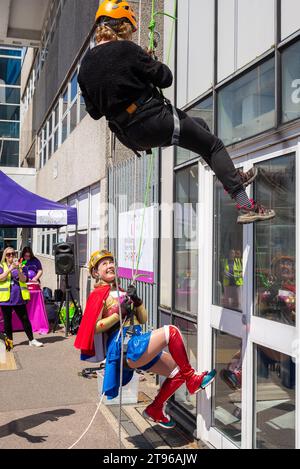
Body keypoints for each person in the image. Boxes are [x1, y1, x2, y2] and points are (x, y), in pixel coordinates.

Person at [78, 0, 275, 225]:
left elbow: (94, 113)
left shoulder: (84, 69)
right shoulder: (127, 49)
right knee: (214, 145)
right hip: (154, 120)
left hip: (130, 135)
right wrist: (148, 60)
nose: (131, 35)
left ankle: (232, 177)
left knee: (200, 126)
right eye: (130, 30)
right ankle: (246, 205)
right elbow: (165, 78)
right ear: (122, 26)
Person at [74, 250, 216, 429]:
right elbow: (94, 327)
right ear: (95, 272)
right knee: (171, 332)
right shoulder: (98, 295)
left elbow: (143, 319)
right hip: (122, 347)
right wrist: (119, 313)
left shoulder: (122, 291)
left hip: (136, 341)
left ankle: (156, 408)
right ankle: (193, 380)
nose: (110, 265)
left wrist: (137, 302)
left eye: (111, 261)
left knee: (177, 372)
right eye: (104, 264)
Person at [0, 247, 43, 349]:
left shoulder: (20, 265)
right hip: (6, 299)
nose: (11, 256)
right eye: (8, 254)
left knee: (25, 320)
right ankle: (9, 343)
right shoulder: (1, 265)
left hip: (18, 297)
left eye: (13, 254)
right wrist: (10, 269)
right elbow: (1, 278)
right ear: (5, 256)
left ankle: (31, 340)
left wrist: (18, 270)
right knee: (7, 322)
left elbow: (24, 279)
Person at [20, 247, 49, 335]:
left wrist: (35, 278)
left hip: (34, 284)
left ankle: (35, 324)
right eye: (25, 256)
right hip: (24, 284)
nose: (27, 257)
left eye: (28, 256)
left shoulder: (35, 260)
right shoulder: (21, 260)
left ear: (31, 254)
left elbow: (40, 270)